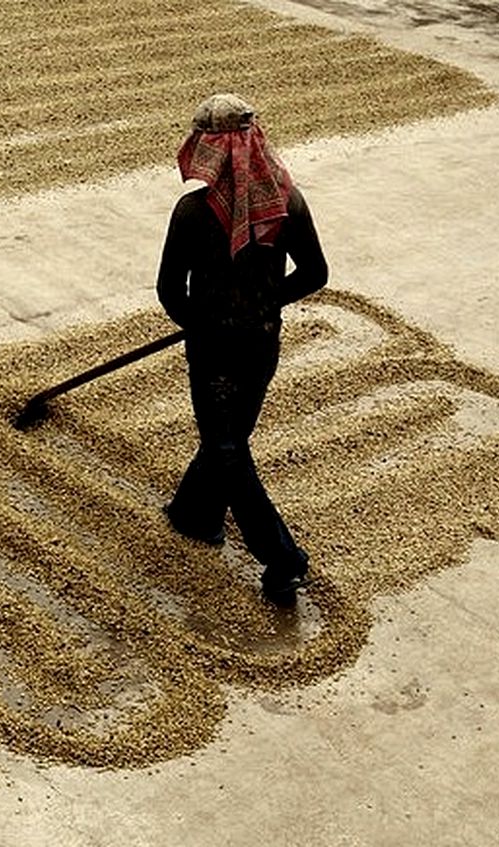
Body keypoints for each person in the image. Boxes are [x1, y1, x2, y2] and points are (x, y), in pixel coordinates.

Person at [155, 93, 328, 606]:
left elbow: (170, 290)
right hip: (261, 344)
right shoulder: (287, 204)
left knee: (228, 448)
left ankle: (283, 559)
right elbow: (315, 274)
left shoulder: (192, 213)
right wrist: (267, 304)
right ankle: (195, 513)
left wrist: (200, 326)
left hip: (214, 351)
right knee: (227, 439)